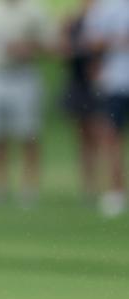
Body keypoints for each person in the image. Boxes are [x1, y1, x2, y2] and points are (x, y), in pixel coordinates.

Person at [0, 0, 54, 206]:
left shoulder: (34, 10)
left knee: (28, 134)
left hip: (23, 75)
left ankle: (29, 188)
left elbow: (51, 44)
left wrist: (29, 47)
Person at [83, 0, 129, 217]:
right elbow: (92, 42)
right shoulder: (103, 8)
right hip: (115, 81)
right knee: (111, 135)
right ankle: (116, 190)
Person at [60, 0, 103, 205]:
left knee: (103, 135)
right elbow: (65, 50)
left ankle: (107, 184)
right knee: (84, 138)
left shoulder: (104, 20)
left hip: (100, 83)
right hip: (79, 83)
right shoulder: (75, 22)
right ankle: (89, 185)